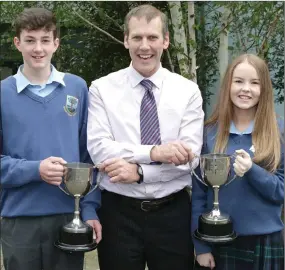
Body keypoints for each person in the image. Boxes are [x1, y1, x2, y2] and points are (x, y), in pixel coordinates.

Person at [86, 4, 204, 270]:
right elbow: (100, 150)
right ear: (126, 39)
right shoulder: (102, 89)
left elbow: (190, 158)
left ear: (166, 40)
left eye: (152, 37)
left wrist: (140, 173)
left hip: (172, 213)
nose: (144, 46)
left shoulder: (188, 92)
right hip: (118, 213)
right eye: (137, 37)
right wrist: (153, 153)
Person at [0, 8, 102, 270]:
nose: (38, 48)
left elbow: (88, 156)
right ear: (17, 43)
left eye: (45, 40)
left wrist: (89, 210)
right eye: (30, 40)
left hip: (70, 214)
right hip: (19, 219)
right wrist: (36, 170)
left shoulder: (77, 88)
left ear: (56, 43)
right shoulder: (2, 94)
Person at [191, 54, 284, 269]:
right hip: (216, 242)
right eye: (238, 81)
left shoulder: (279, 132)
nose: (245, 89)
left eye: (254, 83)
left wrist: (253, 171)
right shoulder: (209, 133)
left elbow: (281, 190)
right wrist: (201, 247)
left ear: (265, 89)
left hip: (265, 240)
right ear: (228, 86)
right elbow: (197, 196)